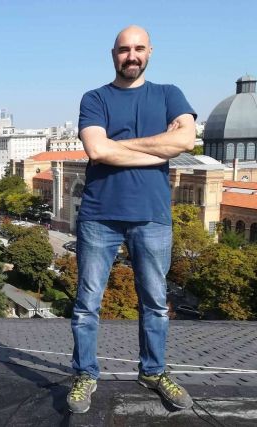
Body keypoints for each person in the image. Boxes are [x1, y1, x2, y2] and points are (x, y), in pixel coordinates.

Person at [66, 25, 197, 414]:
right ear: (113, 54)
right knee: (87, 304)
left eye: (139, 48)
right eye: (124, 50)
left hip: (152, 217)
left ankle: (153, 371)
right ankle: (85, 374)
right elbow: (95, 148)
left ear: (150, 52)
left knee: (155, 303)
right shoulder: (95, 98)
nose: (131, 56)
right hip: (99, 216)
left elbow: (186, 142)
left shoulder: (169, 94)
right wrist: (157, 146)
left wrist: (114, 147)